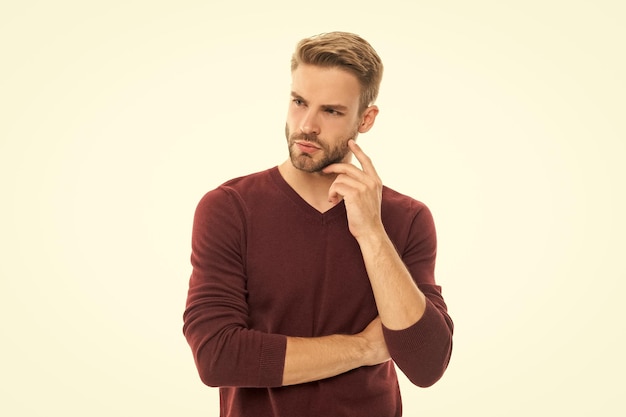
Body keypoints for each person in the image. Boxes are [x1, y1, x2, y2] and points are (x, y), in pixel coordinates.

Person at [183, 31, 453, 417]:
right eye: (299, 102)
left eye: (331, 111)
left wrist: (372, 232)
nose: (306, 125)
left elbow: (426, 364)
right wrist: (364, 348)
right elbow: (217, 355)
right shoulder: (229, 208)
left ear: (366, 119)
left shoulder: (406, 218)